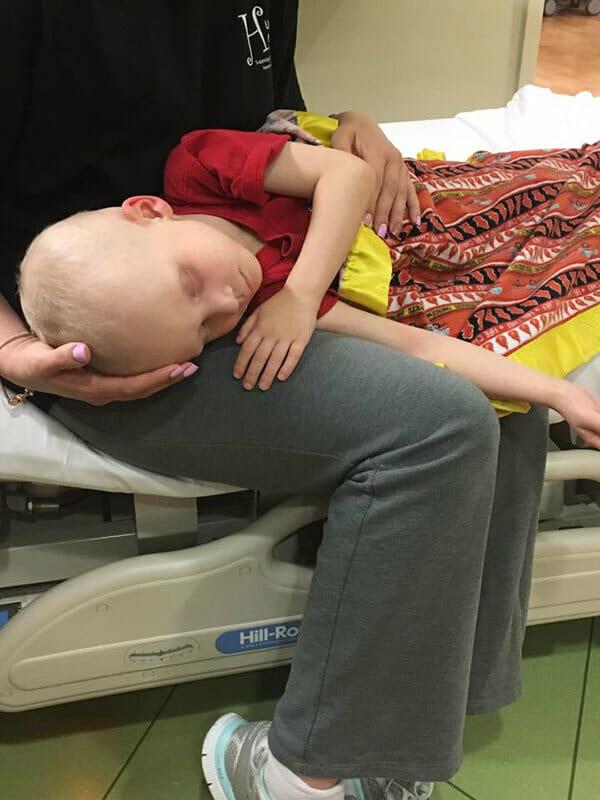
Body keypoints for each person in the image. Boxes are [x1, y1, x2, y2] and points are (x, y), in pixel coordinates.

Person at [0, 4, 550, 800]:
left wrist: (336, 130)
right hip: (101, 335)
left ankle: (406, 727)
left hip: (242, 260)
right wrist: (15, 351)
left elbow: (257, 112)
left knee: (503, 382)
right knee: (440, 421)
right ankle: (306, 777)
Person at [17, 124, 600, 447]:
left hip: (424, 200)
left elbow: (348, 174)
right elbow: (419, 346)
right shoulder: (265, 309)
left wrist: (300, 295)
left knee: (566, 180)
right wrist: (560, 395)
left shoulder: (199, 169)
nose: (227, 301)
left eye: (190, 283)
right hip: (446, 257)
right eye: (205, 329)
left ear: (149, 211)